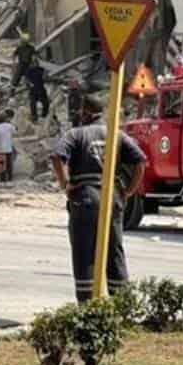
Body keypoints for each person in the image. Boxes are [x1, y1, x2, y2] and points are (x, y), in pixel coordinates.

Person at [52, 94, 147, 303]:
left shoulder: (75, 134)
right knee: (114, 251)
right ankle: (123, 305)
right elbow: (141, 161)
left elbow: (57, 156)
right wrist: (129, 190)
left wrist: (66, 184)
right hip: (112, 195)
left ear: (84, 112)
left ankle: (88, 307)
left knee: (84, 252)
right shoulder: (117, 135)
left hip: (85, 196)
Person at [14, 33, 50, 123]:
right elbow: (15, 55)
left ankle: (44, 116)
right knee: (33, 104)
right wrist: (28, 84)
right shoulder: (29, 71)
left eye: (36, 62)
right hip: (33, 89)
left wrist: (46, 75)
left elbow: (46, 76)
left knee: (46, 103)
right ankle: (35, 118)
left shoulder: (40, 69)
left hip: (40, 89)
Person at [0, 109, 17, 183]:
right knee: (9, 164)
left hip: (0, 149)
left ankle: (2, 179)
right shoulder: (10, 126)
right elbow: (15, 132)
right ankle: (10, 178)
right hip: (8, 148)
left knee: (1, 165)